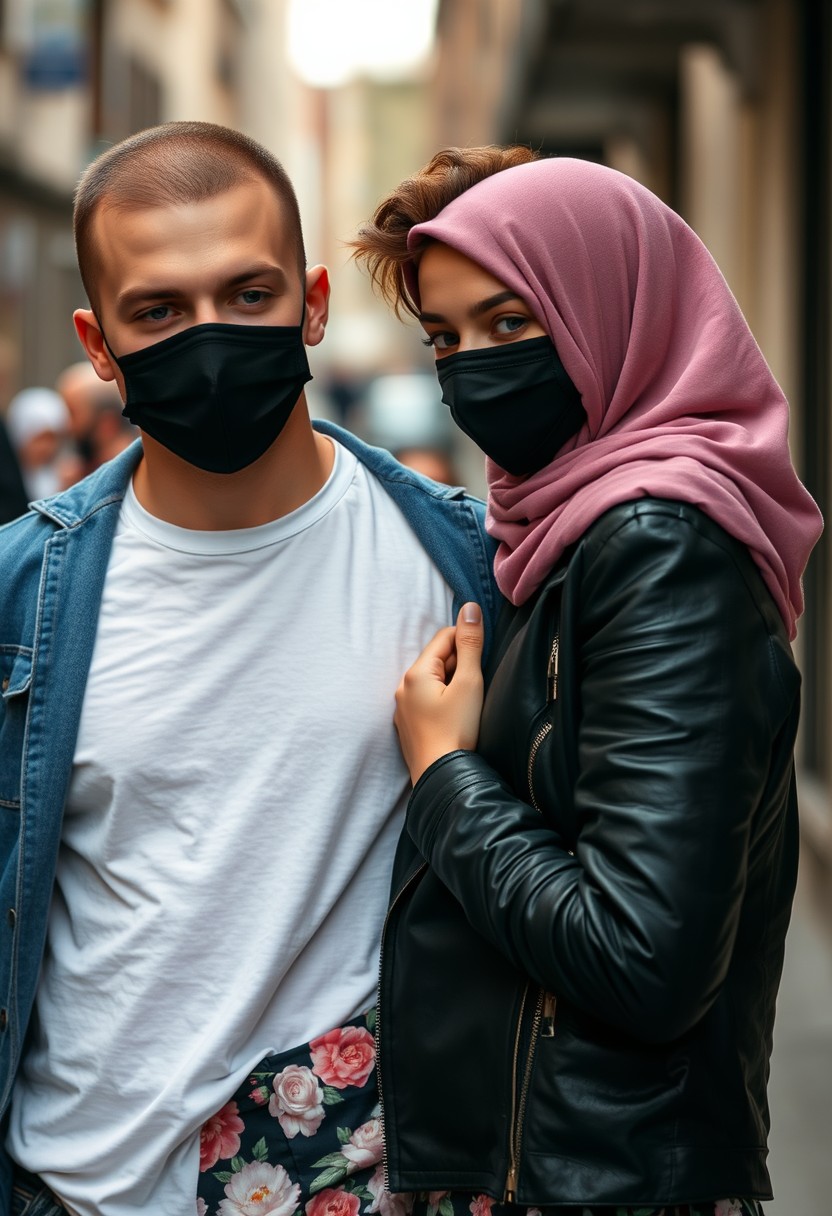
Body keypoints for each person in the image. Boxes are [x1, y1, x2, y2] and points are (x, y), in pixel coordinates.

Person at [0, 123, 500, 1216]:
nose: (211, 337)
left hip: (345, 1181)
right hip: (73, 1186)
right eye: (159, 311)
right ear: (97, 341)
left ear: (313, 303)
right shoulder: (20, 593)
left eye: (249, 292)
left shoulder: (461, 564)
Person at [351, 147, 824, 1216]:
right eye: (445, 339)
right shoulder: (559, 528)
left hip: (600, 1184)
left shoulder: (658, 544)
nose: (472, 369)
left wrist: (443, 776)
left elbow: (640, 959)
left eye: (510, 323)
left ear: (608, 310)